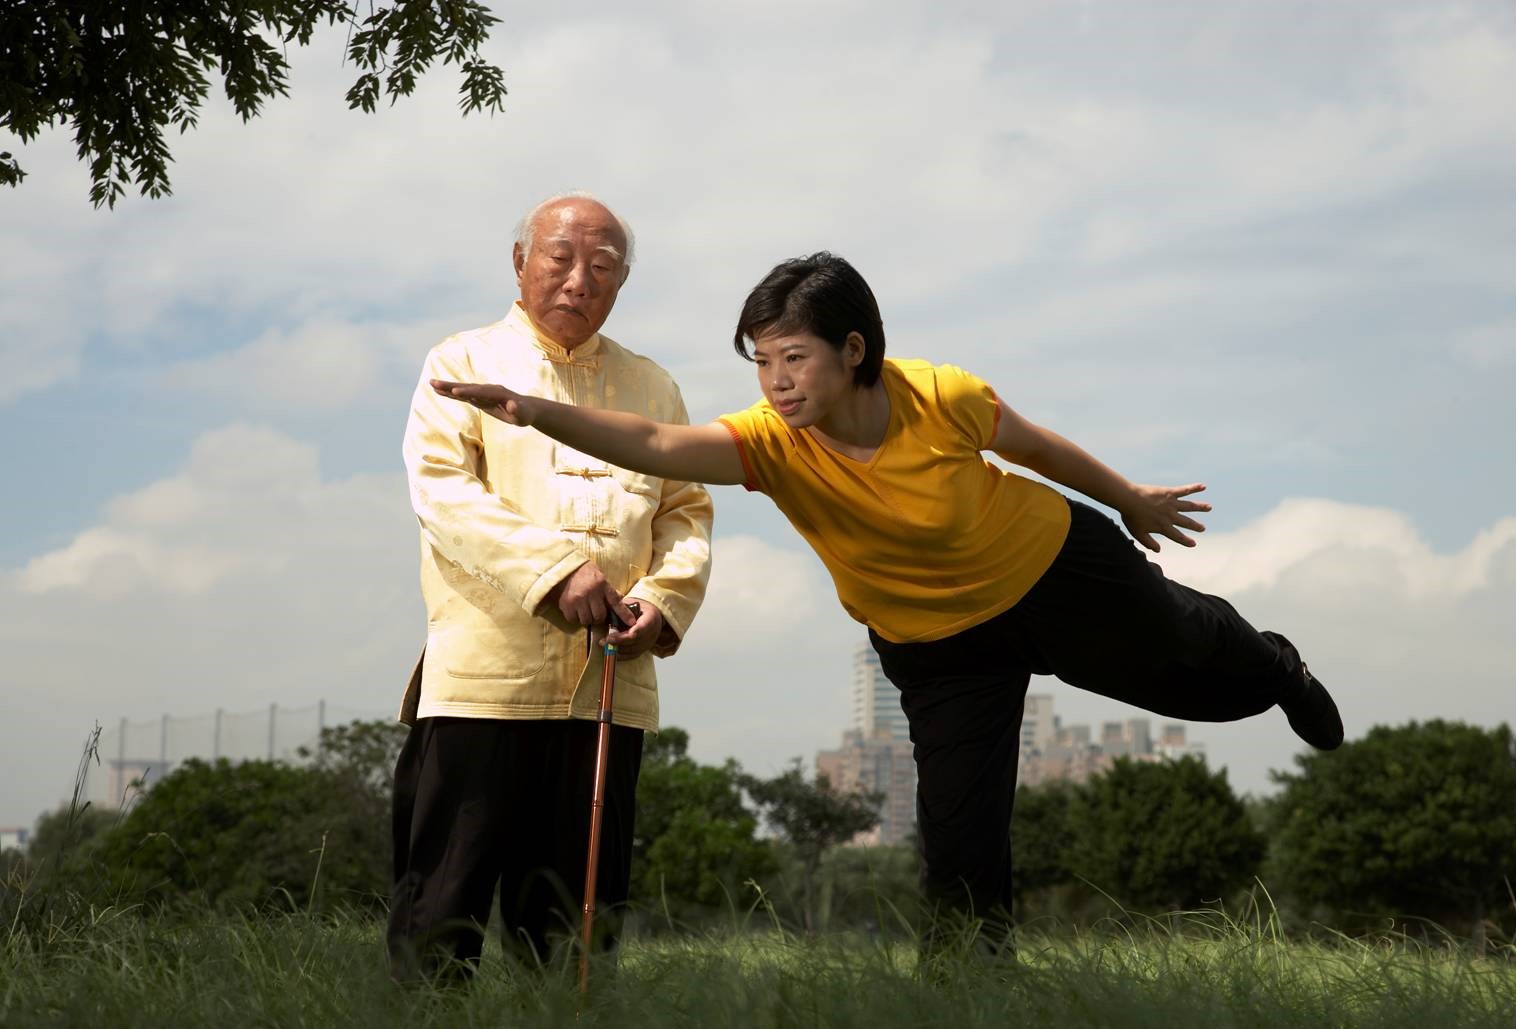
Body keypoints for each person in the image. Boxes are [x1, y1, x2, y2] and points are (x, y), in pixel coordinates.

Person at [429, 251, 1341, 956]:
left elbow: (1037, 450)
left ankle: (1275, 662)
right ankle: (967, 994)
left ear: (853, 350)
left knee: (1192, 668)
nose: (775, 381)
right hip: (939, 648)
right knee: (958, 835)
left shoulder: (938, 395)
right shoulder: (770, 445)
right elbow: (655, 439)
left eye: (793, 357)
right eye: (760, 363)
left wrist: (1128, 498)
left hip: (1056, 572)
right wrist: (535, 410)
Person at [388, 195, 714, 982]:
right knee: (443, 910)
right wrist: (557, 571)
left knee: (576, 926)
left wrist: (662, 603)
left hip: (608, 681)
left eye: (601, 267)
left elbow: (685, 511)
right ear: (519, 263)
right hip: (481, 685)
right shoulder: (459, 362)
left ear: (621, 281)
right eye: (560, 258)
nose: (578, 280)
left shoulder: (652, 386)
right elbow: (443, 495)